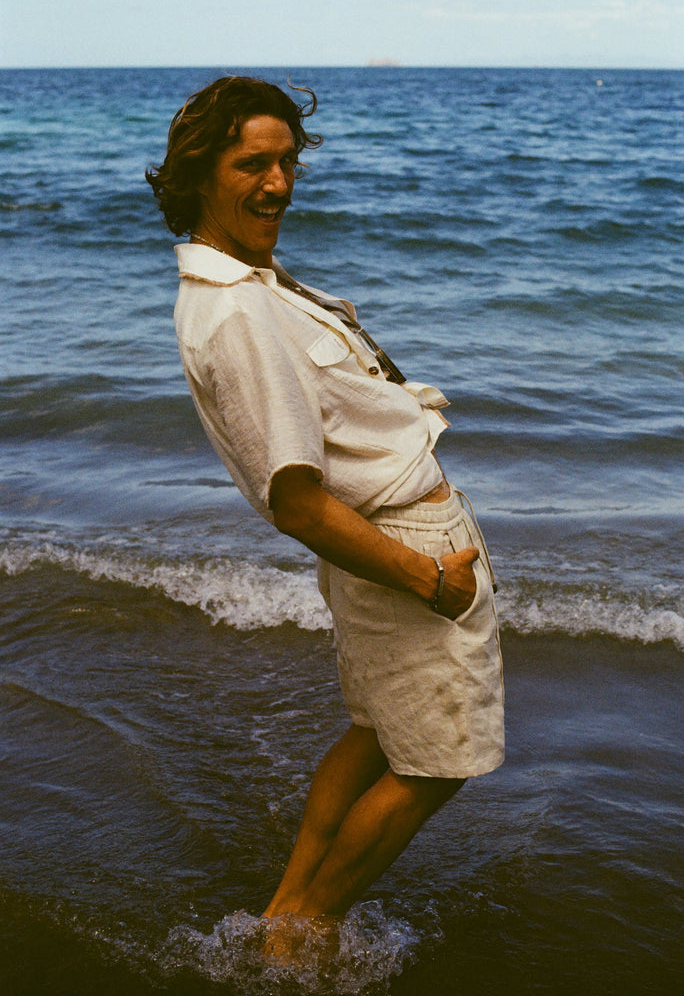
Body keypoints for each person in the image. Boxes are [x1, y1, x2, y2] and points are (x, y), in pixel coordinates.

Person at [146, 76, 504, 928]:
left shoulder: (251, 279)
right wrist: (430, 580)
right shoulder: (237, 313)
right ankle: (307, 930)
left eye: (287, 162)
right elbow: (297, 503)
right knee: (437, 766)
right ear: (199, 173)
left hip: (385, 540)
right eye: (251, 165)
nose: (278, 183)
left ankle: (285, 914)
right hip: (399, 550)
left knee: (377, 733)